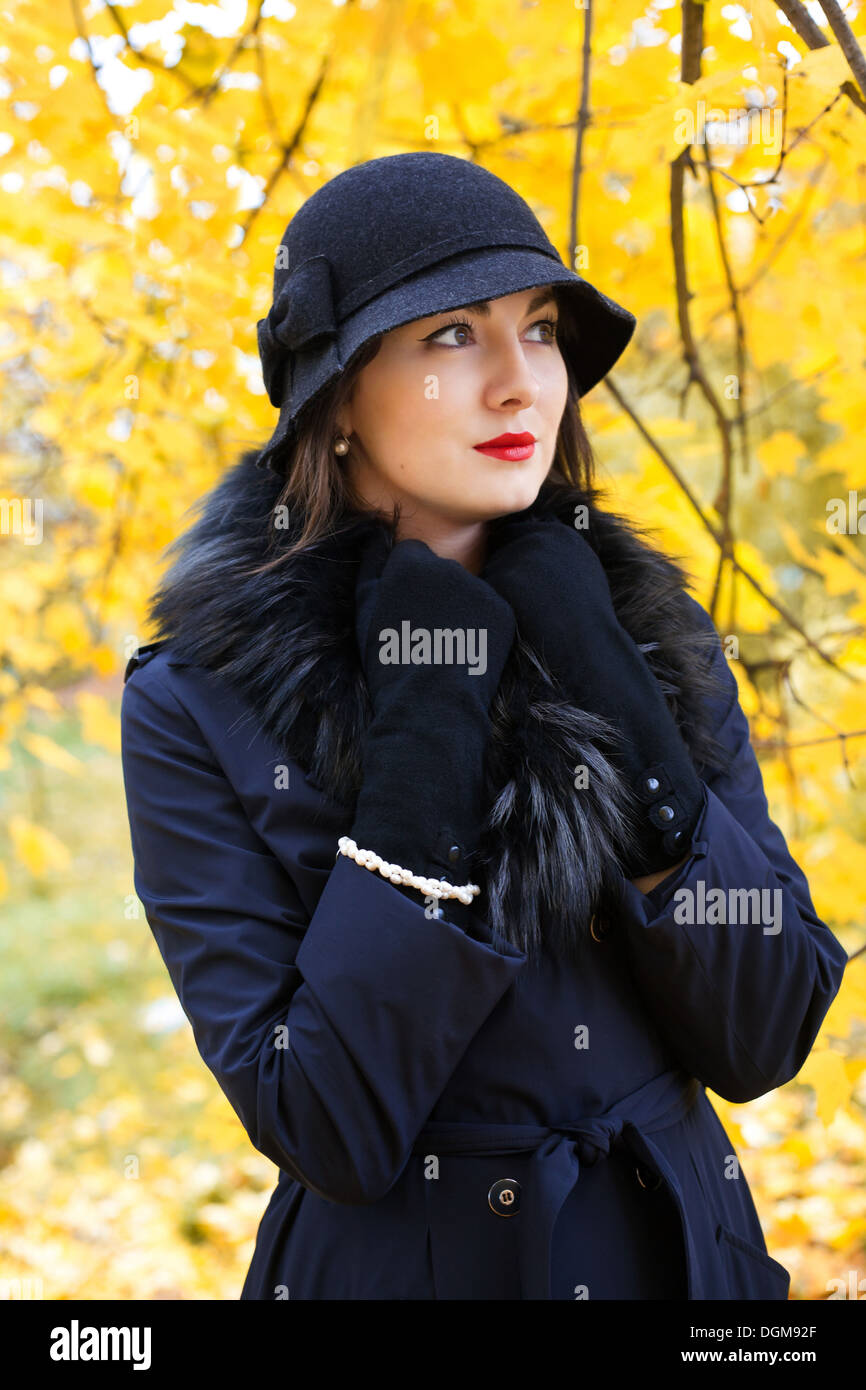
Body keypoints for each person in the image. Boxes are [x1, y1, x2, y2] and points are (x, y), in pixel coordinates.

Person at [120, 151, 848, 1300]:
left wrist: (619, 695)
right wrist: (425, 732)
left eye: (540, 328)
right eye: (450, 335)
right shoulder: (196, 699)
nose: (519, 383)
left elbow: (764, 1033)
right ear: (338, 393)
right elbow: (327, 1124)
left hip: (686, 1266)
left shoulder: (647, 631)